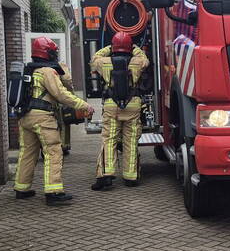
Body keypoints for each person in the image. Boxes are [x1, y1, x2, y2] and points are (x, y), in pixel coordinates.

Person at [13, 37, 93, 204]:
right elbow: (61, 94)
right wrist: (83, 105)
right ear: (48, 53)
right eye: (53, 52)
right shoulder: (47, 72)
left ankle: (21, 188)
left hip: (25, 117)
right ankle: (53, 192)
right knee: (54, 152)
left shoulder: (29, 69)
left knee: (27, 152)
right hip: (42, 118)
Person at [91, 31, 149, 190]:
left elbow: (94, 58)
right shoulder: (137, 61)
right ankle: (131, 177)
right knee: (130, 141)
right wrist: (135, 48)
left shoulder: (103, 62)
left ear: (113, 46)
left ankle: (106, 175)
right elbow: (146, 60)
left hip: (112, 106)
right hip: (133, 105)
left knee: (109, 139)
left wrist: (109, 48)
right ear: (129, 47)